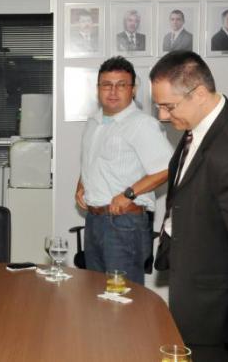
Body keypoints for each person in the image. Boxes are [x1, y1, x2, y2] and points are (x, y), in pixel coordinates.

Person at [150, 51, 228, 361]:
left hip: (213, 304)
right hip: (193, 273)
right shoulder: (207, 121)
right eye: (159, 107)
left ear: (198, 94)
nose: (163, 116)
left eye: (169, 106)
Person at [75, 56, 172, 285]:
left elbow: (167, 168)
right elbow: (93, 160)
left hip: (124, 223)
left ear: (133, 89)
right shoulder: (93, 122)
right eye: (106, 85)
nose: (113, 91)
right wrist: (81, 185)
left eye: (121, 85)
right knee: (95, 293)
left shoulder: (142, 124)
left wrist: (129, 194)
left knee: (123, 296)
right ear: (97, 89)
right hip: (94, 220)